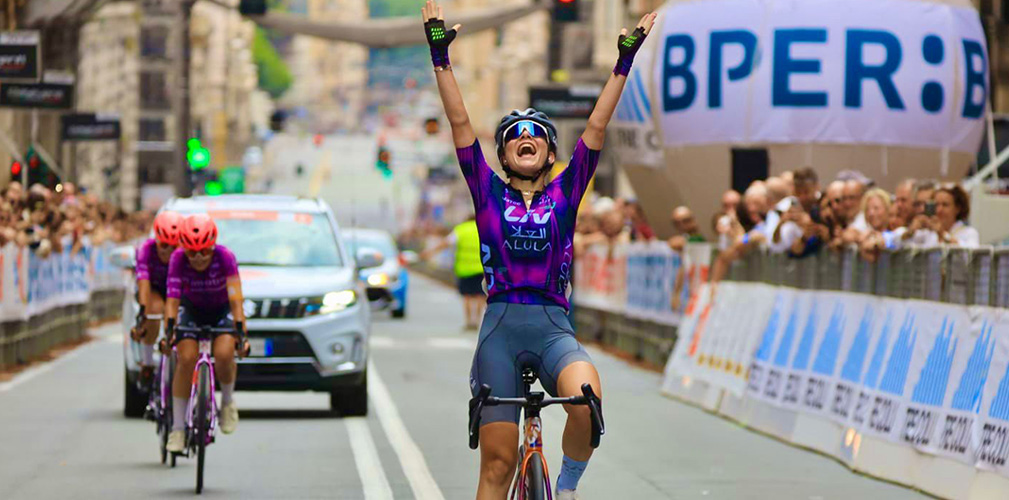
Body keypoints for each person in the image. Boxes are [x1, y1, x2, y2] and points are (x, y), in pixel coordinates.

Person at [424, 2, 656, 497]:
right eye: (514, 137)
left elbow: (595, 127)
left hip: (554, 328)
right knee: (497, 467)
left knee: (588, 399)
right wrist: (440, 58)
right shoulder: (486, 191)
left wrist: (624, 63)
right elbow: (461, 122)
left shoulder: (566, 192)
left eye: (536, 136)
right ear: (504, 156)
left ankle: (567, 486)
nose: (525, 139)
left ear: (551, 153)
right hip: (501, 332)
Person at [164, 214, 249, 453]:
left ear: (213, 247)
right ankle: (178, 429)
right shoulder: (177, 259)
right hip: (190, 310)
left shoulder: (225, 258)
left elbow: (236, 298)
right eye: (192, 252)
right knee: (186, 359)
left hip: (220, 309)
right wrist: (169, 330)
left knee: (223, 353)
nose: (199, 258)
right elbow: (172, 300)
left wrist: (241, 331)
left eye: (204, 251)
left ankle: (228, 402)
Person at [131, 211, 183, 385]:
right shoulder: (146, 249)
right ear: (157, 239)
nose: (168, 251)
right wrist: (143, 312)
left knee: (176, 315)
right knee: (154, 310)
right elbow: (144, 282)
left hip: (177, 290)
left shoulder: (185, 254)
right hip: (154, 288)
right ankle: (147, 363)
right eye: (164, 245)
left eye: (173, 246)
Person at [422, 215, 486, 330]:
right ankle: (477, 320)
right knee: (480, 296)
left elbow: (445, 243)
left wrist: (430, 252)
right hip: (481, 269)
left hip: (464, 269)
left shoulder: (460, 229)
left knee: (467, 297)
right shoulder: (484, 228)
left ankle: (468, 322)